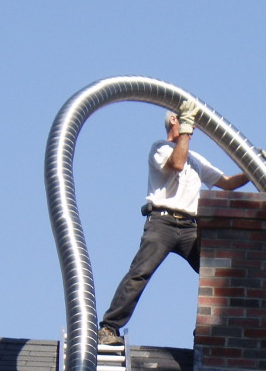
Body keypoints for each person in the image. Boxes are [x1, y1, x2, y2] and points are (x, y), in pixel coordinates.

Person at [97, 99, 250, 346]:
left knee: (218, 275)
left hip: (191, 227)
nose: (193, 128)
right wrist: (185, 131)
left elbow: (228, 183)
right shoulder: (160, 148)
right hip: (162, 223)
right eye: (185, 120)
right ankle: (108, 327)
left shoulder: (197, 159)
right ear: (173, 121)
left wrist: (252, 169)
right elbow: (177, 164)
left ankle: (207, 334)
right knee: (140, 273)